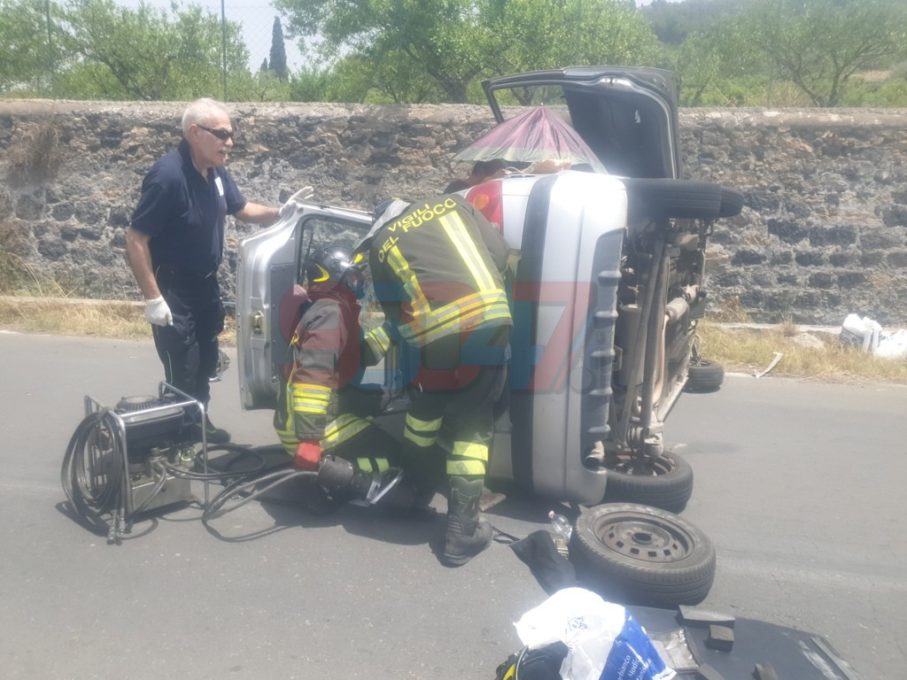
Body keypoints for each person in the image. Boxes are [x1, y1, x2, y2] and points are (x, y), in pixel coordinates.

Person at [126, 98, 307, 444]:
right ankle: (178, 440)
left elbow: (241, 210)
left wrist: (281, 212)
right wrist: (153, 299)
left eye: (231, 134)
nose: (230, 142)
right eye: (222, 134)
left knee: (207, 360)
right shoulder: (168, 177)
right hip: (173, 288)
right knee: (184, 365)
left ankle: (197, 423)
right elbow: (135, 239)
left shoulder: (216, 171)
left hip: (205, 286)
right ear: (195, 133)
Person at [359, 195, 512, 566]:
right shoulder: (453, 204)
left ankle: (414, 487)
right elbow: (500, 252)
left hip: (432, 339)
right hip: (486, 323)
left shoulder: (381, 244)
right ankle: (462, 530)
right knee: (473, 426)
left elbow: (395, 312)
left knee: (424, 411)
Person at [273, 244, 407, 509]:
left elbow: (360, 354)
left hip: (309, 416)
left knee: (379, 403)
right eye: (353, 277)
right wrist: (310, 440)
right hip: (309, 425)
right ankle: (329, 475)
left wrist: (393, 329)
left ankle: (323, 472)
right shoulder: (331, 313)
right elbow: (313, 377)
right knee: (393, 458)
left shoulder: (332, 308)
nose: (358, 283)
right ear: (334, 278)